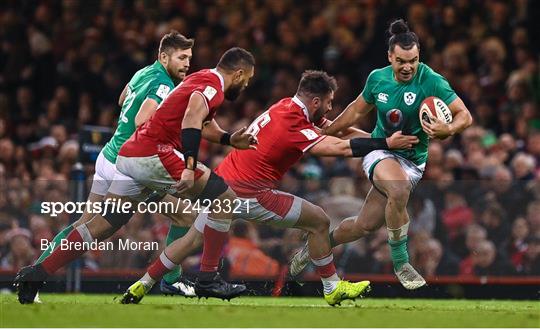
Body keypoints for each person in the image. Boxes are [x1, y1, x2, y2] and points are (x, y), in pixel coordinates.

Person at [120, 70, 419, 306]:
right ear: (315, 102)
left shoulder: (286, 107)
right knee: (319, 220)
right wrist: (384, 144)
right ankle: (332, 287)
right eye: (328, 103)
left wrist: (378, 139)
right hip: (250, 193)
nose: (330, 108)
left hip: (225, 183)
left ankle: (141, 284)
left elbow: (333, 129)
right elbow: (337, 147)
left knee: (191, 240)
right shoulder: (293, 124)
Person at [14, 47, 257, 304]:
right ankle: (208, 278)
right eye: (248, 80)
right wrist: (189, 165)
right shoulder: (213, 86)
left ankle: (37, 274)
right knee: (224, 198)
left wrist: (229, 139)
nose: (246, 85)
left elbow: (202, 122)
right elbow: (192, 117)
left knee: (101, 225)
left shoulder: (200, 78)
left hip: (129, 155)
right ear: (239, 74)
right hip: (154, 154)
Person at [289, 19, 473, 290]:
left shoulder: (432, 80)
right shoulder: (378, 79)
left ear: (419, 55)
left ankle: (313, 247)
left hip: (413, 162)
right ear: (390, 57)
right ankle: (401, 263)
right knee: (398, 191)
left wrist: (449, 129)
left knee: (363, 226)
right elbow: (354, 111)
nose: (408, 67)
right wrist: (323, 131)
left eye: (413, 60)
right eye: (401, 61)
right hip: (381, 149)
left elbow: (465, 116)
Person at [31, 31, 197, 300]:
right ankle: (171, 279)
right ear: (164, 57)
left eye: (189, 58)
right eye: (181, 57)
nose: (187, 63)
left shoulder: (142, 72)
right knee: (185, 216)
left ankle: (34, 276)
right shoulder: (164, 84)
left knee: (85, 224)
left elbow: (122, 100)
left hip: (109, 156)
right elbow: (144, 120)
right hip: (130, 165)